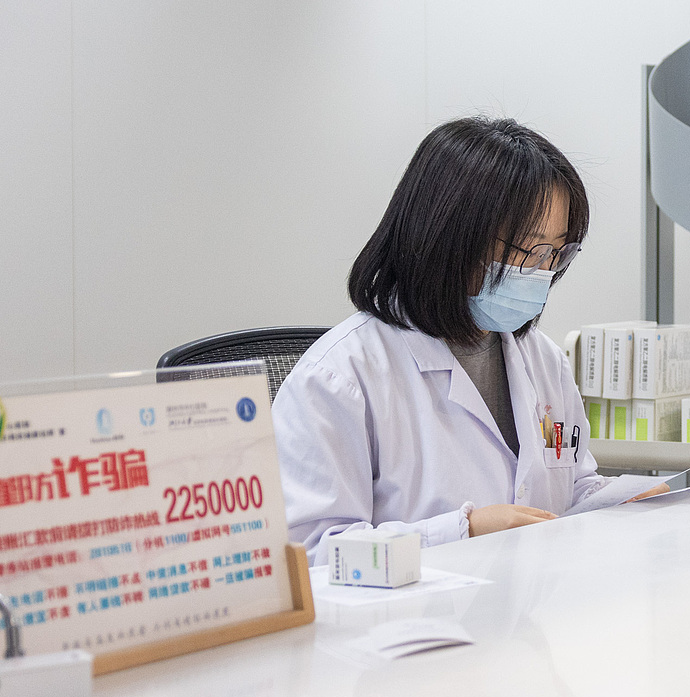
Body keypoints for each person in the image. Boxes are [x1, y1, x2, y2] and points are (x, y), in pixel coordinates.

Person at [276, 116, 665, 558]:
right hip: (411, 622)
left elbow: (570, 487)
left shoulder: (541, 359)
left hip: (527, 612)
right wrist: (461, 532)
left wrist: (619, 502)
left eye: (557, 252)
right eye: (530, 249)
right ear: (451, 237)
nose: (543, 271)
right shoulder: (339, 378)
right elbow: (308, 555)